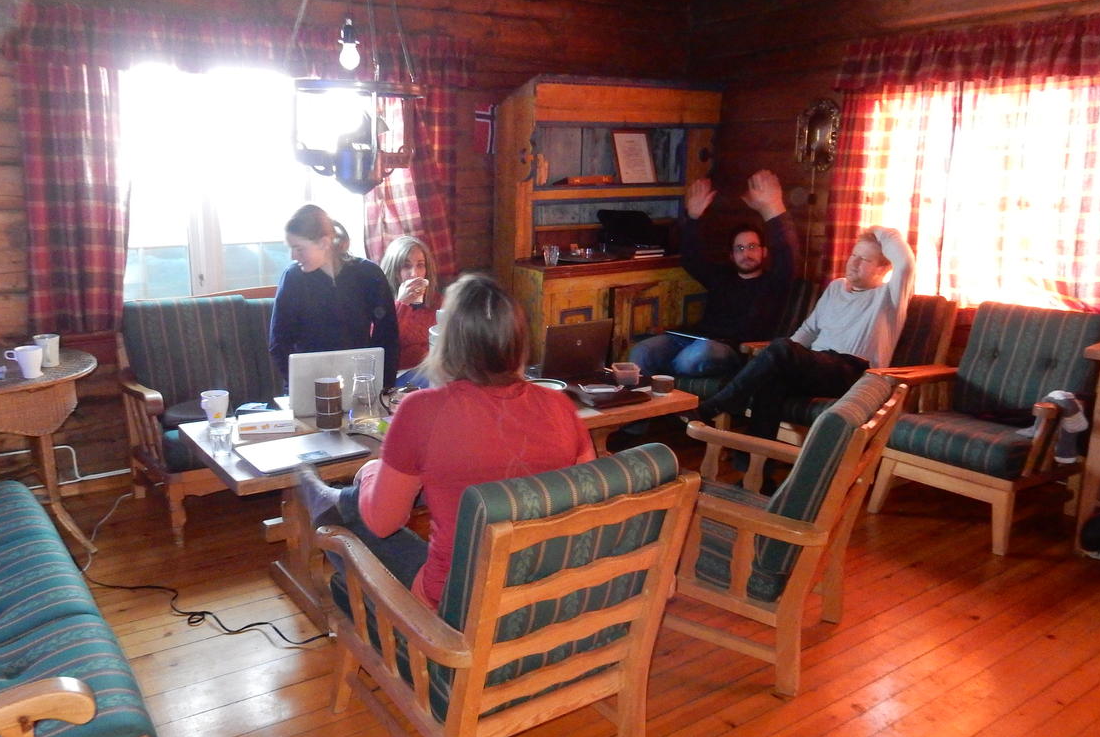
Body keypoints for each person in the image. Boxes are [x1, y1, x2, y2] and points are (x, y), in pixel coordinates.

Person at [297, 272, 596, 609]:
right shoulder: (560, 406)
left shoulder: (421, 410)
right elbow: (589, 500)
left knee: (347, 524)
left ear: (447, 341)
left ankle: (333, 503)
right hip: (545, 593)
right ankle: (337, 501)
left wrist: (371, 472)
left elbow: (382, 524)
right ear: (518, 341)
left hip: (457, 610)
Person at [693, 225, 916, 442]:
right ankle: (754, 462)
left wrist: (876, 231)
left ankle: (720, 403)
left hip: (855, 373)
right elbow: (809, 330)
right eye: (854, 255)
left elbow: (905, 262)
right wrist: (780, 357)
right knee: (773, 379)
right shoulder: (836, 287)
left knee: (781, 349)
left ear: (883, 269)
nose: (854, 262)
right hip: (818, 366)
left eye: (865, 259)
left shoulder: (890, 297)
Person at [630, 169, 798, 379]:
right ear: (731, 255)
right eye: (740, 248)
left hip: (730, 351)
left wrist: (773, 207)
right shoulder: (722, 278)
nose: (746, 254)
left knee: (692, 357)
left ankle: (665, 382)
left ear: (764, 252)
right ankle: (647, 398)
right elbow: (691, 259)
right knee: (641, 352)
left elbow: (787, 255)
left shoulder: (773, 283)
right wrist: (693, 217)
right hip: (696, 339)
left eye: (752, 247)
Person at [269, 204, 400, 390]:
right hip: (308, 383)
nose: (292, 256)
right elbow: (278, 343)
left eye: (299, 248)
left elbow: (388, 335)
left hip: (359, 381)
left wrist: (383, 387)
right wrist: (299, 384)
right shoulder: (293, 278)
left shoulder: (368, 274)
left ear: (324, 243)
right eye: (290, 248)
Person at [379, 235, 442, 384]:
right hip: (396, 375)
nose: (414, 273)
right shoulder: (381, 303)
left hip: (432, 371)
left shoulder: (437, 302)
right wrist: (402, 303)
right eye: (406, 266)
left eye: (420, 265)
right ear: (394, 271)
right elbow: (383, 344)